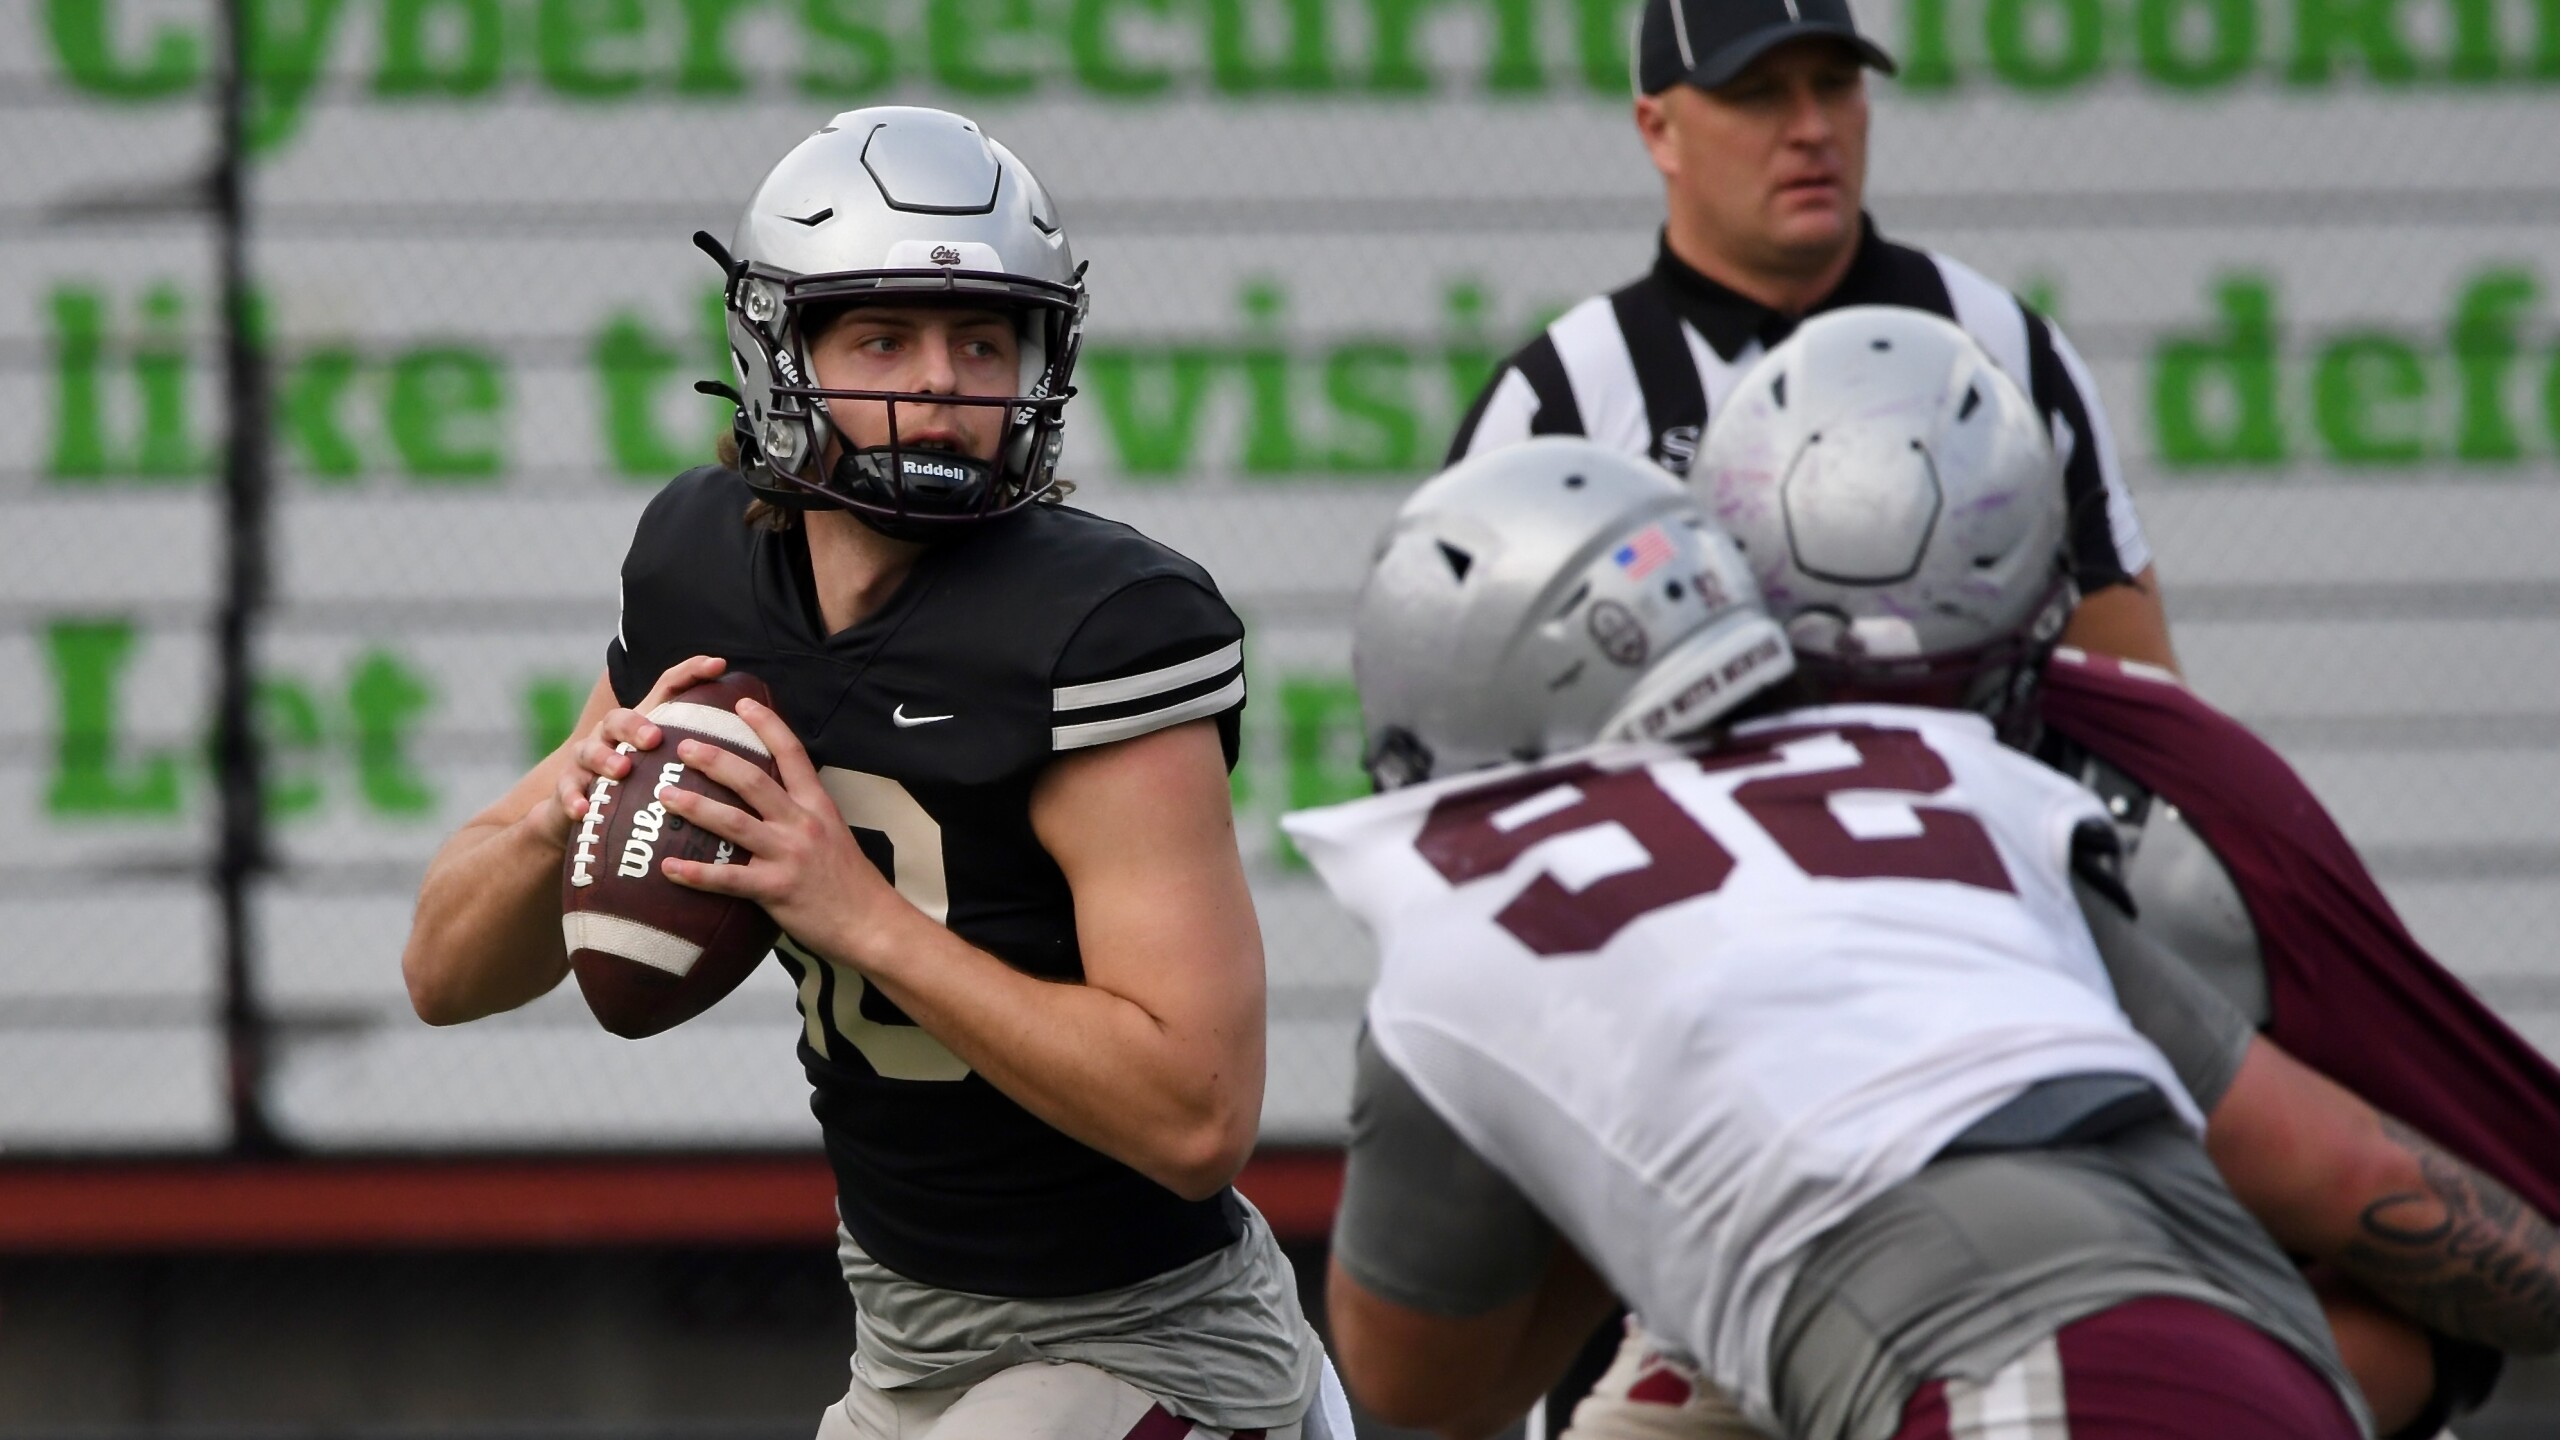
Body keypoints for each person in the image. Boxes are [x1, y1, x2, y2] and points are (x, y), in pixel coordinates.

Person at [1289, 430, 2560, 1440]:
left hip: (2015, 1379)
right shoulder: (1942, 781)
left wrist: (1580, 1137)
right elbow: (2353, 1174)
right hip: (2252, 1361)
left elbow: (1421, 1380)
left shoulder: (1466, 925)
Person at [399, 105, 1347, 1440]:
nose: (945, 381)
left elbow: (1197, 1117)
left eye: (983, 338)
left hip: (1153, 1344)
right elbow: (446, 975)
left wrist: (863, 918)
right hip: (902, 1336)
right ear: (780, 347)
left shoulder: (1102, 628)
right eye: (884, 336)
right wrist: (565, 808)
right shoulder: (703, 574)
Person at [1445, 0, 2173, 675]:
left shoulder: (1999, 346)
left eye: (1834, 85)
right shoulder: (1561, 398)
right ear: (1658, 130)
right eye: (1759, 93)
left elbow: (2135, 685)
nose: (1813, 128)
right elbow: (1451, 709)